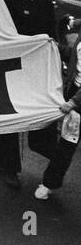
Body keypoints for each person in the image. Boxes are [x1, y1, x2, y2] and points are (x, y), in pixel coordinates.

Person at [0, 0, 56, 189]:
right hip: (7, 67)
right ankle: (9, 166)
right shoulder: (3, 1)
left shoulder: (45, 4)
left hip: (34, 68)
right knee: (11, 113)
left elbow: (51, 36)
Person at [37, 15, 81, 200]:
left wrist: (74, 101)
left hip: (77, 100)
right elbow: (74, 55)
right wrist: (52, 45)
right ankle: (49, 183)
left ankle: (49, 184)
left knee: (67, 143)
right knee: (67, 142)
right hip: (75, 90)